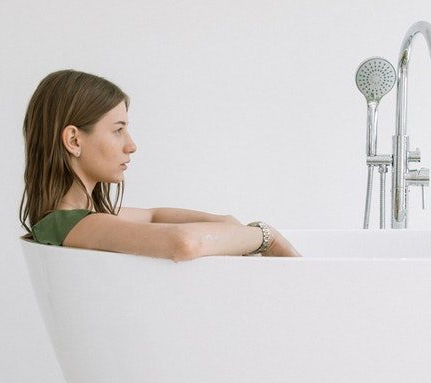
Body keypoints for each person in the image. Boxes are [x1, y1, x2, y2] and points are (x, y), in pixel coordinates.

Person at [19, 69, 301, 260]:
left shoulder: (76, 220)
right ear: (74, 140)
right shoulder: (69, 224)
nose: (131, 145)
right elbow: (184, 243)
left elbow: (155, 216)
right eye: (118, 130)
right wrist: (265, 236)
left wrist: (224, 222)